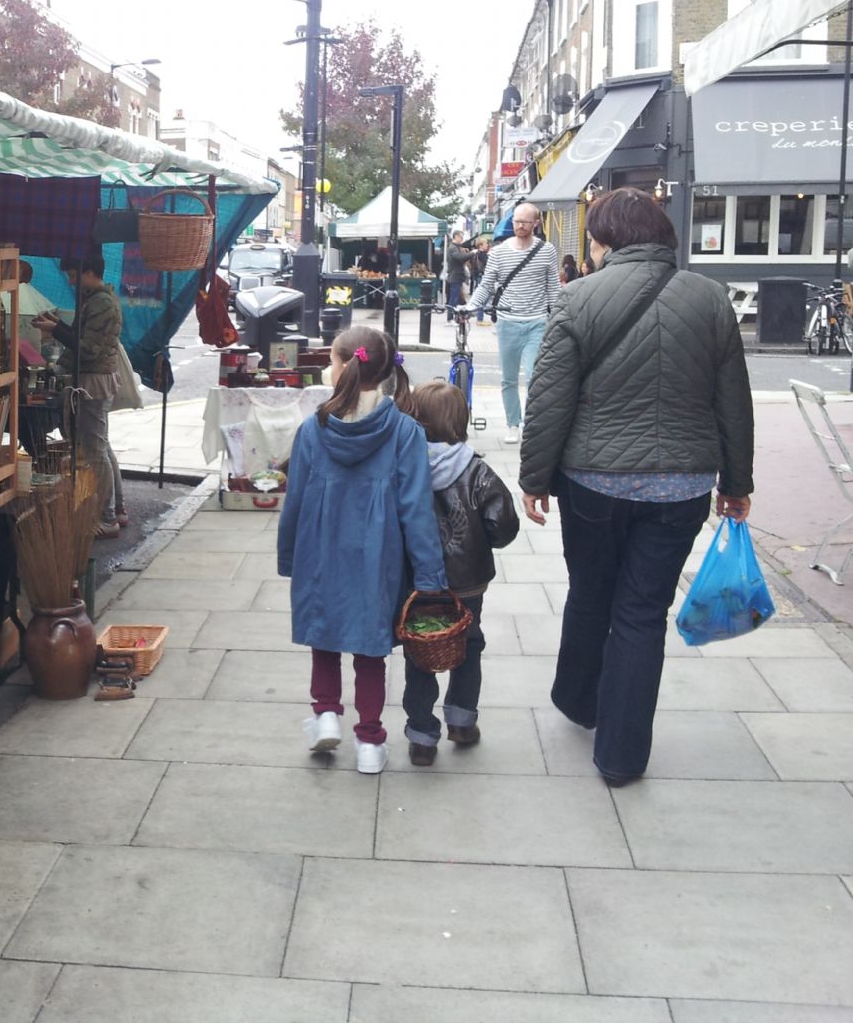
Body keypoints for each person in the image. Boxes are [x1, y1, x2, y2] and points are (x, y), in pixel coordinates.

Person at [518, 188, 754, 787]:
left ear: (604, 242)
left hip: (593, 482)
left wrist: (534, 477)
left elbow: (550, 400)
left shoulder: (577, 299)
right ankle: (621, 758)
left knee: (591, 591)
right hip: (681, 488)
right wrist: (737, 481)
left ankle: (579, 699)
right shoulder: (710, 300)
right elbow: (733, 401)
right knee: (643, 613)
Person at [277, 326, 447, 774]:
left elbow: (294, 501)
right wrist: (430, 577)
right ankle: (370, 741)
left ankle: (326, 712)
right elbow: (416, 511)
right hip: (378, 557)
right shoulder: (406, 433)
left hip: (321, 550)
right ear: (387, 371)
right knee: (371, 650)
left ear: (340, 366)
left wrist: (289, 557)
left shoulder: (314, 429)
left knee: (324, 636)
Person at [402, 381, 519, 766]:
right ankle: (462, 720)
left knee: (420, 651)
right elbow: (503, 526)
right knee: (468, 645)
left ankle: (421, 735)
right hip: (467, 581)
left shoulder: (405, 466)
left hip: (418, 582)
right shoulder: (477, 472)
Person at [33, 251, 125, 537]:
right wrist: (57, 329)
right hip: (91, 380)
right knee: (102, 447)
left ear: (88, 271)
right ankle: (117, 510)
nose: (71, 282)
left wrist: (55, 329)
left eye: (73, 275)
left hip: (93, 382)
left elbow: (87, 349)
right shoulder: (95, 300)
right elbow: (79, 341)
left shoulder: (102, 304)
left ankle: (107, 517)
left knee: (96, 451)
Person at [461, 203, 559, 444]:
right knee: (508, 379)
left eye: (525, 222)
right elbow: (486, 285)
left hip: (537, 322)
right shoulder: (499, 252)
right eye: (516, 221)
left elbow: (553, 287)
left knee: (534, 377)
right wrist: (471, 307)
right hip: (507, 322)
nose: (520, 226)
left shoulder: (547, 251)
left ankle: (532, 425)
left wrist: (558, 316)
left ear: (536, 223)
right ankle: (512, 424)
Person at [444, 229, 476, 321]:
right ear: (456, 237)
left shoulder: (456, 247)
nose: (462, 239)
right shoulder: (453, 248)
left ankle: (455, 317)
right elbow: (459, 258)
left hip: (457, 276)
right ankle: (450, 319)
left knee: (456, 298)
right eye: (461, 237)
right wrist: (471, 253)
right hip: (455, 276)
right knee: (453, 298)